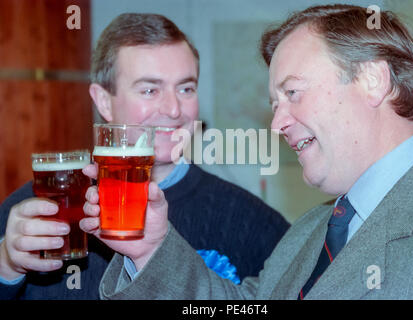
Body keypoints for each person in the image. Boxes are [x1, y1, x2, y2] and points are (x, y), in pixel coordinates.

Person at [84, 4, 413, 300]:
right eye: (275, 103)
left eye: (293, 93)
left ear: (373, 81)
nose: (276, 126)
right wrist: (151, 250)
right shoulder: (310, 231)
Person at [0, 13, 290, 299]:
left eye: (186, 88)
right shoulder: (32, 215)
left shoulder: (257, 224)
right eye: (150, 90)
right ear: (103, 101)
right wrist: (5, 267)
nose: (174, 109)